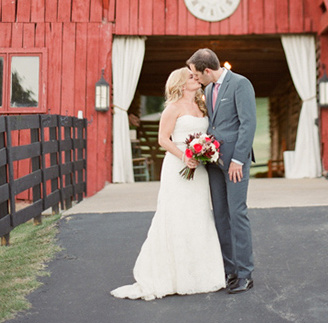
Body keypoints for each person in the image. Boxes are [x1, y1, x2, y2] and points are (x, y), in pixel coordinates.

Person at [110, 67, 225, 300]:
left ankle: (201, 275)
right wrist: (185, 156)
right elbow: (163, 139)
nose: (198, 79)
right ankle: (173, 275)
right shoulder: (172, 108)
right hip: (178, 167)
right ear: (182, 85)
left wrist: (206, 152)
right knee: (176, 215)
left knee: (198, 215)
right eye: (193, 77)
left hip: (198, 170)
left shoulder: (202, 106)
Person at [187, 48, 257, 294]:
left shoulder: (240, 83)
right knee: (220, 216)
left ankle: (246, 274)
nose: (195, 79)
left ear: (207, 70)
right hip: (213, 161)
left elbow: (248, 123)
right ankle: (230, 271)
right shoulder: (207, 90)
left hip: (235, 162)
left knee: (237, 214)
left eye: (196, 75)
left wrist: (239, 158)